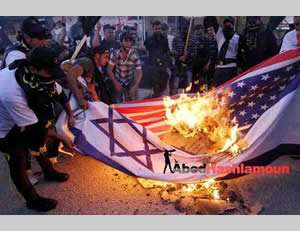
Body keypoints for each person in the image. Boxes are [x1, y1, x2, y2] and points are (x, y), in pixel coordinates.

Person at [0, 47, 71, 212]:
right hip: (3, 127)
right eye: (50, 73)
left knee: (38, 143)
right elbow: (36, 128)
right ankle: (32, 199)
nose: (53, 78)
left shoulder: (41, 76)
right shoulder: (11, 92)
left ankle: (49, 171)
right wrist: (62, 137)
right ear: (33, 69)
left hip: (18, 118)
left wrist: (70, 113)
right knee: (18, 157)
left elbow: (60, 95)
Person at [66, 44, 112, 109]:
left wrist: (101, 107)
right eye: (106, 57)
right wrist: (80, 99)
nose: (107, 60)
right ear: (97, 55)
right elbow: (70, 75)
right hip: (67, 100)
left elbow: (91, 89)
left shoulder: (93, 68)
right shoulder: (87, 62)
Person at [204, 16, 244, 87]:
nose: (227, 26)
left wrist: (240, 66)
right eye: (225, 24)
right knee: (217, 90)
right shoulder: (220, 35)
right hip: (220, 68)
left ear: (233, 25)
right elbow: (213, 21)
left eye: (229, 24)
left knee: (228, 90)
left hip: (231, 68)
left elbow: (240, 54)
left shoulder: (238, 37)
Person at [108, 32, 143, 103]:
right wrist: (115, 83)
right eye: (126, 41)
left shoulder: (135, 55)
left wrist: (135, 86)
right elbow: (109, 70)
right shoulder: (115, 54)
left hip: (130, 81)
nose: (128, 43)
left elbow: (140, 72)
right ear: (121, 42)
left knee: (132, 103)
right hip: (118, 80)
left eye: (130, 41)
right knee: (118, 103)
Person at [144, 21, 170, 97]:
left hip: (163, 65)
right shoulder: (149, 39)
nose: (158, 30)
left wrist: (167, 62)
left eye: (159, 28)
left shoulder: (164, 39)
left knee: (163, 84)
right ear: (153, 29)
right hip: (153, 66)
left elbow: (167, 51)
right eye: (156, 29)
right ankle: (156, 99)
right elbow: (145, 50)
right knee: (156, 86)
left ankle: (160, 98)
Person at [171, 23, 199, 95]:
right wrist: (180, 57)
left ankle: (187, 102)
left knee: (188, 85)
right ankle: (173, 102)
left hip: (188, 65)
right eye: (183, 29)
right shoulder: (176, 39)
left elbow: (195, 53)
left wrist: (188, 54)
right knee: (175, 85)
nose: (184, 31)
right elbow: (173, 52)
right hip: (178, 66)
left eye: (186, 29)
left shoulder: (193, 39)